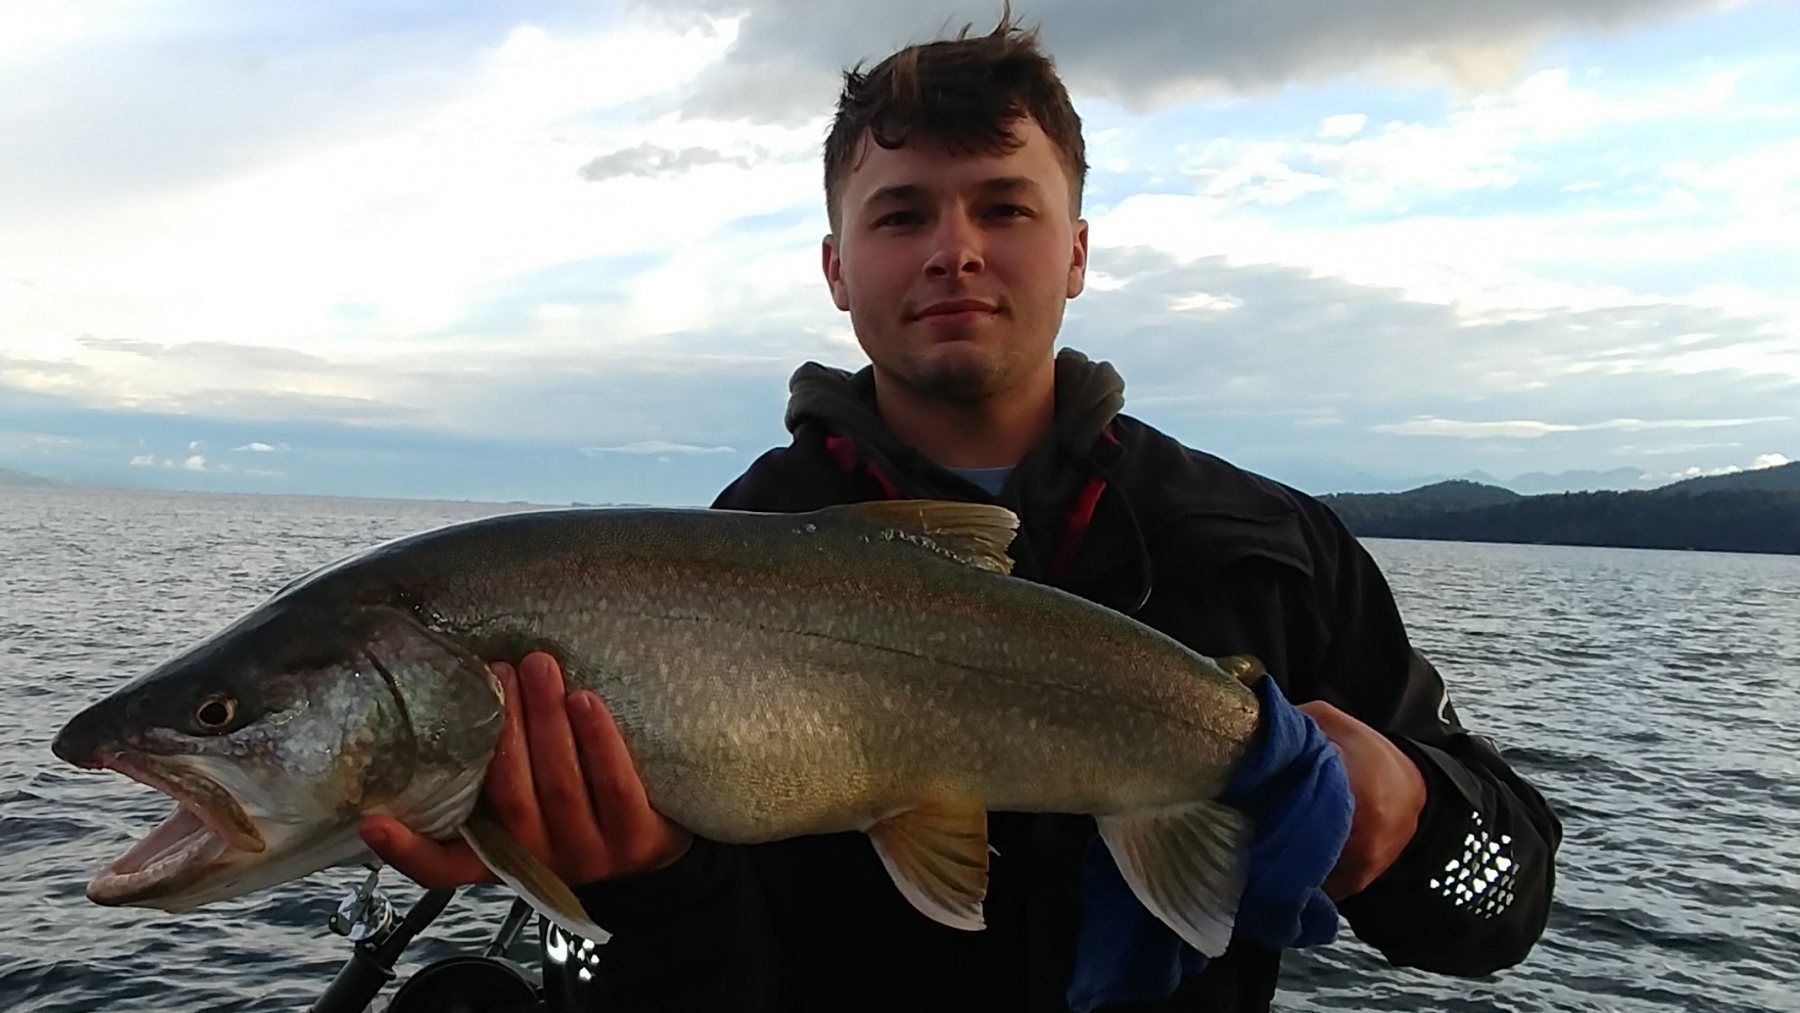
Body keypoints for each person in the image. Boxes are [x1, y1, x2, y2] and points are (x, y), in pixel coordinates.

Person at [359, 11, 1561, 1011]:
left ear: (1078, 251)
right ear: (836, 265)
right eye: (901, 215)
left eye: (1004, 207)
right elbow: (645, 987)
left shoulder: (1271, 552)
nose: (955, 250)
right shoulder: (699, 574)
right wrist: (637, 884)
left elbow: (1505, 902)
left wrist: (1408, 825)